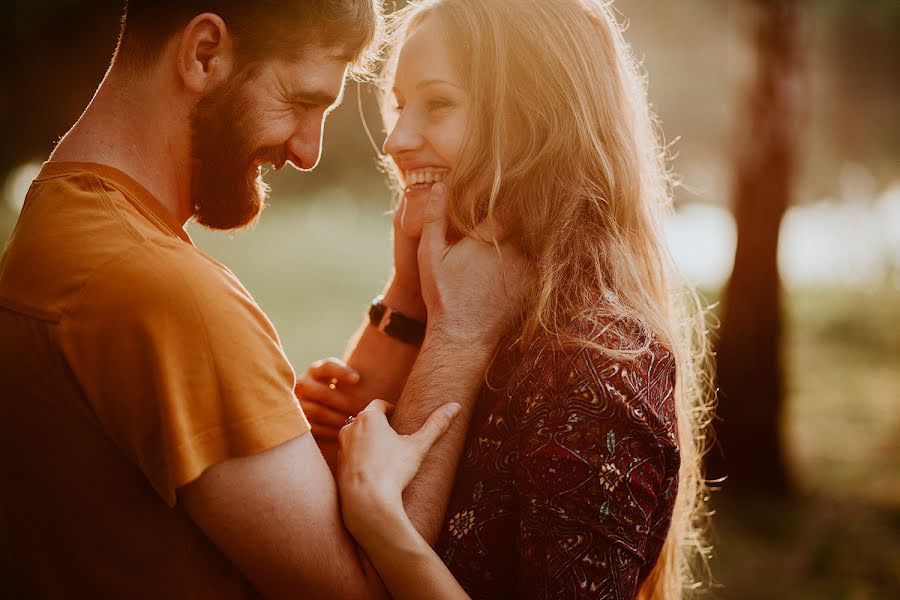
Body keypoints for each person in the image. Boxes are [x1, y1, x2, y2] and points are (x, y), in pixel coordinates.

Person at [0, 1, 525, 598]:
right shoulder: (162, 293)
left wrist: (404, 299)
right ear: (203, 54)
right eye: (302, 102)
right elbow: (368, 587)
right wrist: (462, 333)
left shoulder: (56, 225)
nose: (307, 152)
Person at [297, 0, 715, 598]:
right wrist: (407, 302)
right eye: (399, 104)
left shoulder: (600, 369)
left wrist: (388, 530)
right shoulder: (454, 306)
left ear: (540, 125)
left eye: (437, 104)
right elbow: (324, 556)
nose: (395, 140)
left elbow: (370, 556)